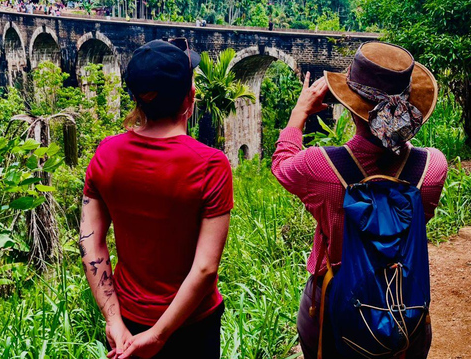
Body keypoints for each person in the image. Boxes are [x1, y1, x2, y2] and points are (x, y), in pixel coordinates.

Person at [272, 42, 448, 359]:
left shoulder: (319, 166)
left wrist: (299, 113)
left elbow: (282, 165)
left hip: (334, 305)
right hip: (403, 305)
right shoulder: (433, 168)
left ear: (352, 108)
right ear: (407, 108)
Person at [80, 39, 233, 359]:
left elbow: (90, 244)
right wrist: (159, 335)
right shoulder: (210, 165)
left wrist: (114, 321)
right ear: (190, 97)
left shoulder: (106, 153)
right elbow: (205, 268)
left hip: (127, 323)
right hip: (192, 325)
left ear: (137, 99)